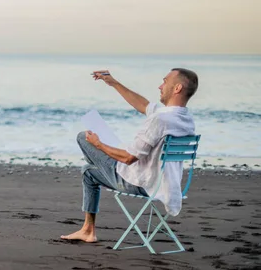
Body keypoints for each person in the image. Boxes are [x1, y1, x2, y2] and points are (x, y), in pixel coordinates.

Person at [61, 68, 198, 243]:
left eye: (165, 81)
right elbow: (144, 105)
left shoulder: (160, 120)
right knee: (88, 171)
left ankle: (89, 230)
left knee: (83, 137)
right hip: (167, 185)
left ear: (177, 88)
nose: (160, 86)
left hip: (141, 182)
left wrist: (99, 144)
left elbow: (128, 158)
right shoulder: (184, 118)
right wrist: (114, 83)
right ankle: (87, 230)